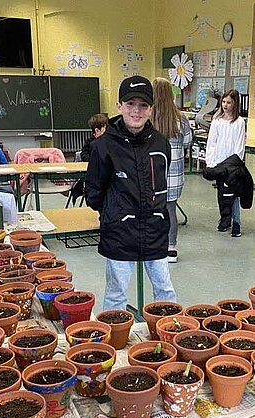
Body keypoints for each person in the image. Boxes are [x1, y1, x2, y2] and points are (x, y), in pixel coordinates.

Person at [85, 75, 177, 311]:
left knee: (165, 291)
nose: (136, 111)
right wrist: (114, 214)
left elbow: (162, 187)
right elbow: (93, 192)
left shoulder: (161, 143)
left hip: (155, 231)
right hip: (119, 233)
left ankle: (166, 335)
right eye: (130, 104)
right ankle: (114, 344)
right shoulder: (103, 146)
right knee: (116, 294)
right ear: (119, 106)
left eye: (143, 105)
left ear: (151, 109)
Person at [150, 77, 192, 263]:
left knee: (151, 210)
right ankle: (171, 248)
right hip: (174, 175)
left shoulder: (148, 117)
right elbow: (188, 142)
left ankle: (153, 245)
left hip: (152, 173)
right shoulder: (180, 119)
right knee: (170, 210)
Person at [205, 88, 246, 236]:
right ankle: (224, 219)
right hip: (219, 164)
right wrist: (210, 162)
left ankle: (236, 223)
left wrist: (234, 163)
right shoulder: (217, 121)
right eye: (224, 102)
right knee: (222, 193)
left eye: (229, 102)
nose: (225, 105)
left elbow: (239, 146)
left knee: (233, 194)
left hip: (233, 166)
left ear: (235, 104)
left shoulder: (239, 122)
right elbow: (212, 142)